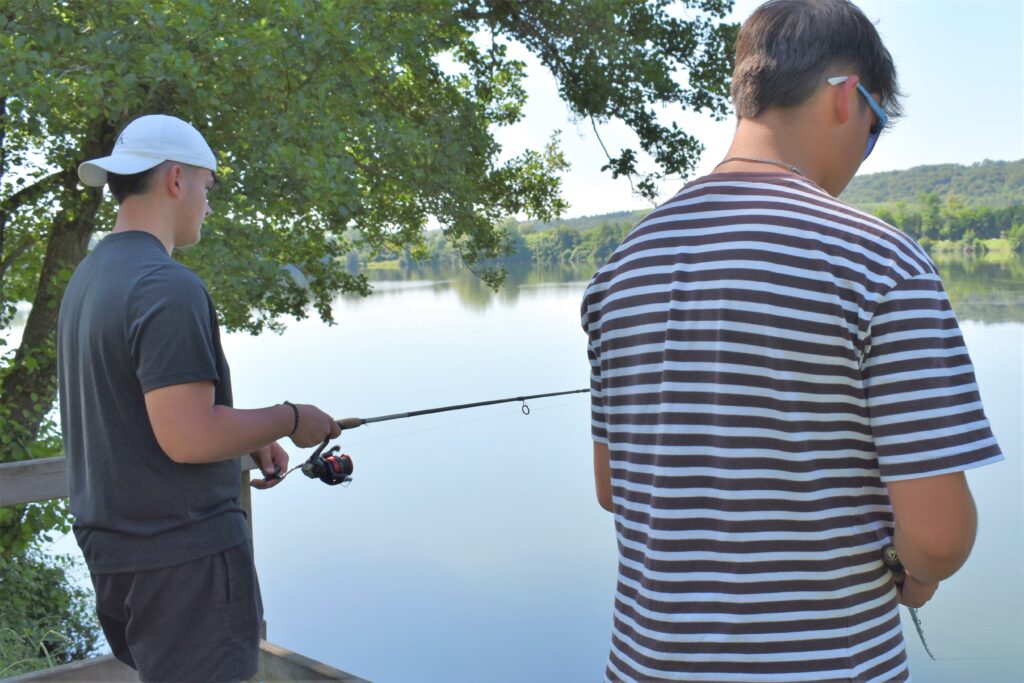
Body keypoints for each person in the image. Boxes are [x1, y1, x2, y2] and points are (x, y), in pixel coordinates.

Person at [580, 1, 1003, 681]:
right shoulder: (879, 262)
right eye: (875, 128)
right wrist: (919, 575)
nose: (866, 153)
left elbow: (612, 487)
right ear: (845, 98)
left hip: (644, 664)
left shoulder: (621, 268)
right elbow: (938, 534)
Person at [57, 114, 342, 682]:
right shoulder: (167, 286)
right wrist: (290, 418)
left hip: (119, 557)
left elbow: (143, 418)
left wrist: (254, 436)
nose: (208, 205)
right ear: (176, 179)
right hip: (182, 563)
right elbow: (187, 435)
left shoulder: (88, 280)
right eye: (208, 188)